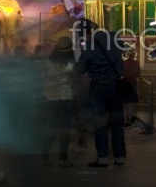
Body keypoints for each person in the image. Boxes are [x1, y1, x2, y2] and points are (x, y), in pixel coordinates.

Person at [75, 18, 126, 167]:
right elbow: (122, 48)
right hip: (116, 85)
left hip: (97, 87)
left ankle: (103, 157)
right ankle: (120, 156)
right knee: (117, 121)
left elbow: (80, 69)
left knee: (100, 122)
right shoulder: (113, 37)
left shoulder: (89, 47)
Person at [42, 36, 79, 167]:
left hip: (50, 98)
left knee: (50, 128)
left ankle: (44, 157)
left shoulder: (48, 62)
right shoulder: (71, 63)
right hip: (66, 98)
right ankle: (63, 159)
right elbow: (76, 78)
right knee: (64, 130)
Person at [122, 49, 140, 126]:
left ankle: (125, 120)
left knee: (124, 104)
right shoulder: (136, 63)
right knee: (131, 103)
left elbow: (121, 72)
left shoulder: (123, 63)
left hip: (124, 84)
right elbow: (138, 72)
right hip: (132, 84)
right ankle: (129, 120)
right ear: (134, 55)